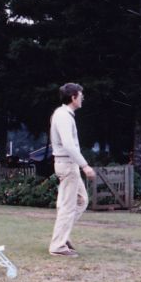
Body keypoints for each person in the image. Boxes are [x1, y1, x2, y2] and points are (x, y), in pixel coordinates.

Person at [48, 82, 95, 257]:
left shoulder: (63, 114)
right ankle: (58, 246)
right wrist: (85, 165)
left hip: (68, 165)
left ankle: (62, 235)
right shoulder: (63, 116)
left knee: (81, 200)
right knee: (68, 206)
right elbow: (68, 145)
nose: (83, 98)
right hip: (67, 165)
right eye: (80, 96)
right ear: (73, 97)